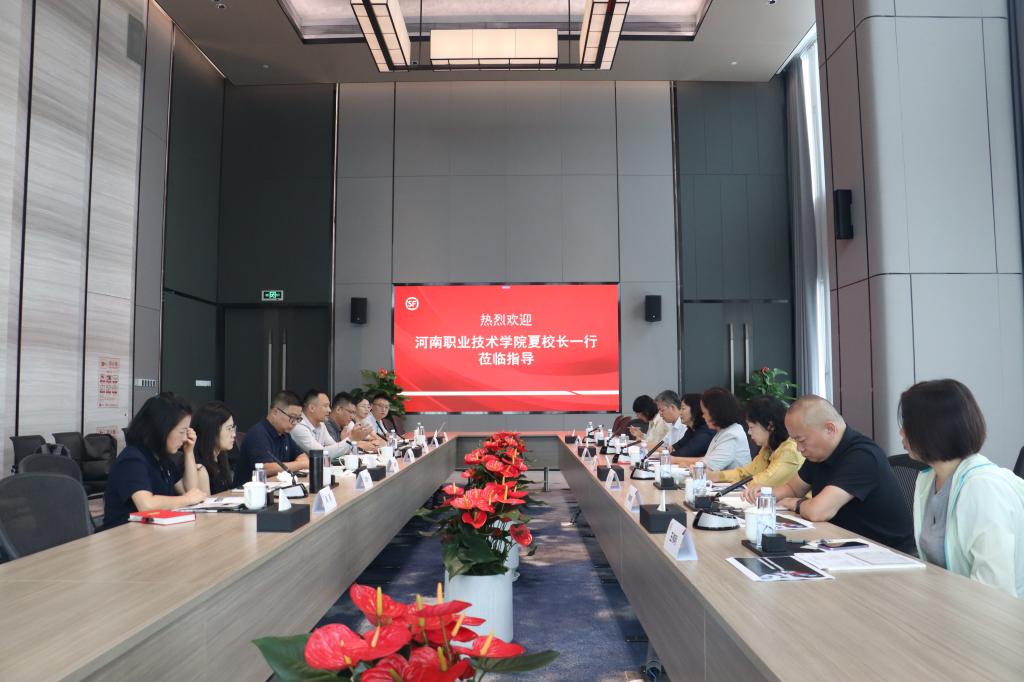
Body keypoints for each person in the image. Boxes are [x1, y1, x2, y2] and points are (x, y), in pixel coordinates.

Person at [900, 379, 1024, 597]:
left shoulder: (982, 487)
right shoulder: (927, 479)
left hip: (994, 613)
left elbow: (995, 591)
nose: (901, 432)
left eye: (907, 424)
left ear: (931, 429)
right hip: (947, 603)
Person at [752, 395, 914, 553]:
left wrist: (795, 503)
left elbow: (818, 511)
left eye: (801, 440)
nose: (799, 448)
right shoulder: (820, 453)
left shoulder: (863, 455)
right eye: (795, 441)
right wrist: (765, 494)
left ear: (829, 429)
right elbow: (793, 488)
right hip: (840, 541)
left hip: (883, 552)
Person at [103, 393, 205, 528]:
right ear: (161, 429)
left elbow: (190, 490)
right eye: (182, 432)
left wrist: (189, 452)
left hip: (152, 531)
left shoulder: (162, 458)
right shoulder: (132, 459)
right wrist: (187, 499)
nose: (185, 438)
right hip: (123, 534)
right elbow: (146, 505)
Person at [709, 395, 803, 488]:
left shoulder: (790, 451)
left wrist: (736, 483)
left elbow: (762, 483)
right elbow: (745, 473)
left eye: (751, 427)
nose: (749, 432)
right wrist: (715, 476)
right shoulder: (768, 448)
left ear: (770, 425)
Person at [234, 390, 308, 486]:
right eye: (292, 417)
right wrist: (300, 464)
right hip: (249, 492)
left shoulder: (285, 434)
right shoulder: (258, 434)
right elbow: (265, 468)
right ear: (275, 412)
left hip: (276, 488)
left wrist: (300, 463)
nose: (294, 423)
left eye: (298, 419)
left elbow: (303, 457)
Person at [674, 387, 751, 470]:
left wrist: (690, 466)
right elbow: (708, 460)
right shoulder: (723, 431)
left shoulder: (731, 435)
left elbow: (710, 466)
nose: (703, 416)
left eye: (704, 413)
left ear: (715, 413)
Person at [291, 388, 364, 460]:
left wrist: (351, 440)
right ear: (312, 408)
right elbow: (320, 453)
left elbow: (334, 447)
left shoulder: (321, 424)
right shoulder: (298, 426)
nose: (329, 410)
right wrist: (351, 439)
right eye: (325, 406)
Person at [191, 401, 238, 495]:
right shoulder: (199, 467)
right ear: (212, 431)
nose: (234, 434)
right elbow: (206, 503)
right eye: (229, 429)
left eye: (233, 428)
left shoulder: (221, 456)